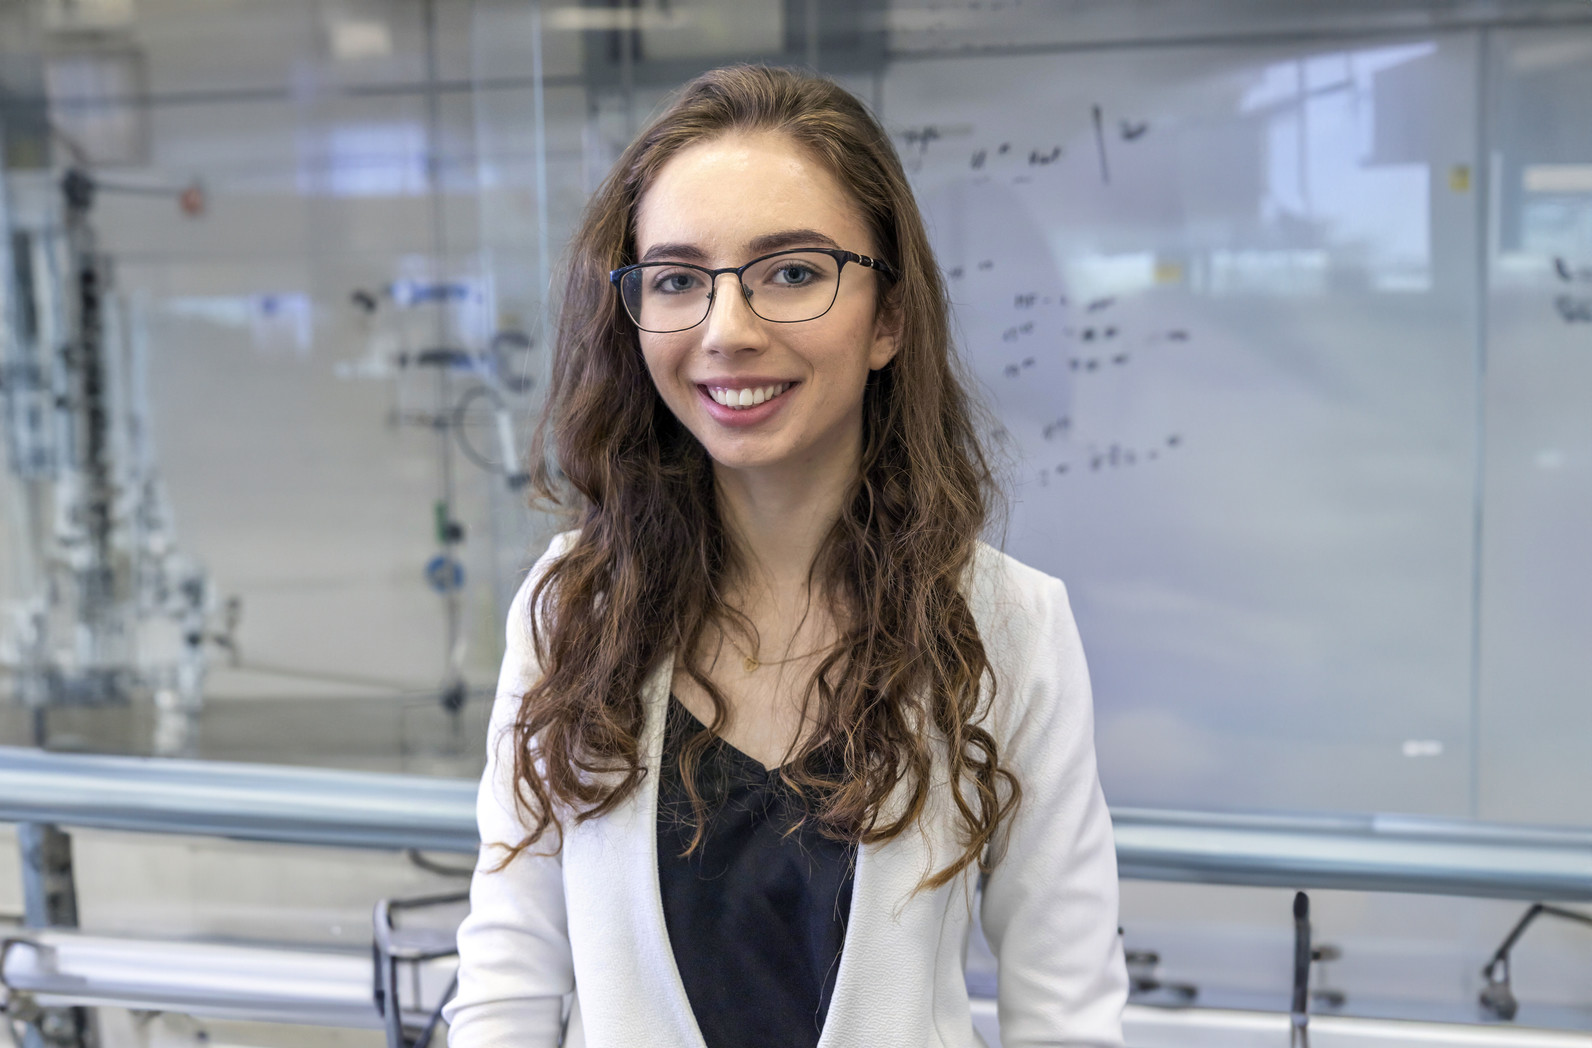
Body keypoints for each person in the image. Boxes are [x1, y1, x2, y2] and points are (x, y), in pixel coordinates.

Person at [444, 64, 1127, 1047]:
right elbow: (505, 990)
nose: (727, 331)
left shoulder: (1007, 625)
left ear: (888, 318)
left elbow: (1066, 1015)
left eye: (793, 273)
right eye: (677, 280)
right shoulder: (571, 608)